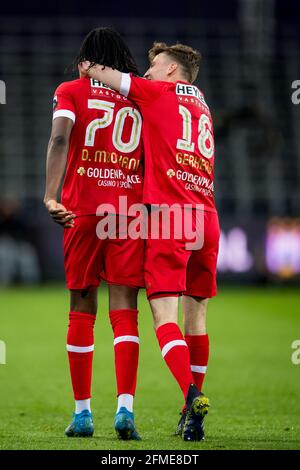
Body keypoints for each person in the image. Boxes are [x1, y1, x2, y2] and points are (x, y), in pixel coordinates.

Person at [82, 40, 220, 441]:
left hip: (171, 218)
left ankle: (191, 395)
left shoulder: (158, 91)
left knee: (165, 320)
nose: (147, 72)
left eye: (155, 66)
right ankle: (189, 415)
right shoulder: (202, 106)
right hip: (208, 218)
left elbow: (107, 76)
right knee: (198, 319)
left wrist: (88, 62)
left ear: (172, 72)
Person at [44, 27, 144, 440]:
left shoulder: (70, 90)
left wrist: (51, 196)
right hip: (128, 211)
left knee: (81, 306)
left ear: (86, 58)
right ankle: (125, 409)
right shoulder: (138, 96)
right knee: (124, 309)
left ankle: (83, 413)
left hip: (83, 210)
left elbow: (59, 137)